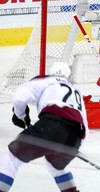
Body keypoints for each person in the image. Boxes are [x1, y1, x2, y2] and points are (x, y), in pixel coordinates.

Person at [0, 62, 88, 192]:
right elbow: (84, 123)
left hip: (51, 126)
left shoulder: (45, 80)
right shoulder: (77, 91)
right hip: (75, 135)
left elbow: (19, 97)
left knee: (10, 160)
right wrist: (75, 145)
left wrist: (21, 115)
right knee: (56, 166)